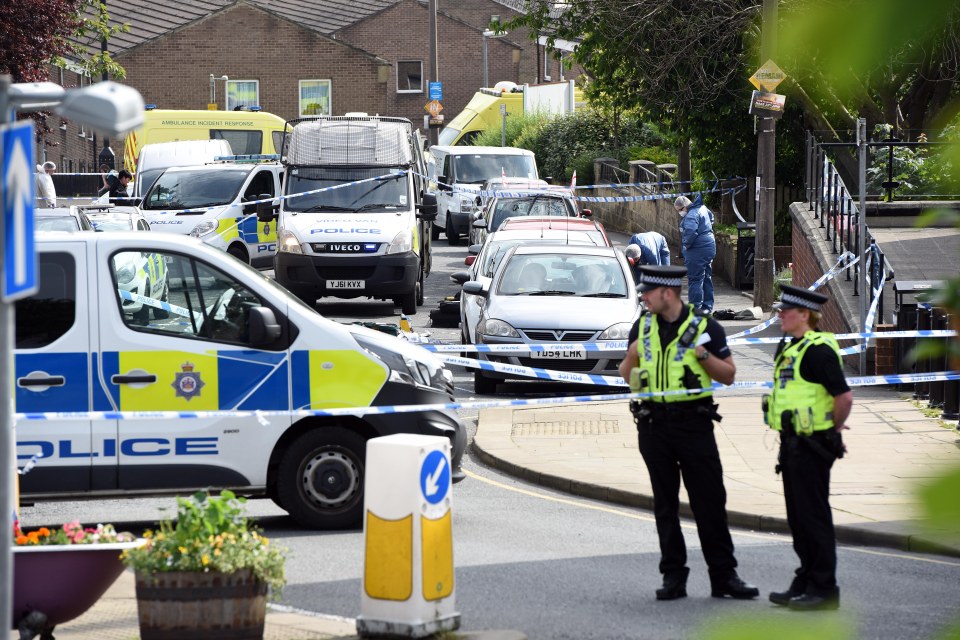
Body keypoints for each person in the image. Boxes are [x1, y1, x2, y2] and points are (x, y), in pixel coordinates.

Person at [618, 264, 758, 602]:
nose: (643, 298)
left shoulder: (705, 327)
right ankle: (673, 578)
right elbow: (627, 374)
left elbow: (728, 375)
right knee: (665, 505)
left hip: (694, 426)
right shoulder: (642, 326)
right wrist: (631, 359)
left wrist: (702, 354)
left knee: (709, 503)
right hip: (653, 427)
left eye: (648, 292)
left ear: (667, 293)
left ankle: (724, 576)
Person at [765, 285, 852, 611]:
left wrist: (832, 428)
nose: (780, 315)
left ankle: (824, 588)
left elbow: (843, 397)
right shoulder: (790, 347)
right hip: (791, 444)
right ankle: (805, 579)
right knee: (798, 518)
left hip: (814, 445)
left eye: (785, 311)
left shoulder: (818, 351)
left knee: (813, 517)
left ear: (804, 315)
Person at [675, 195, 715, 314]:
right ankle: (707, 307)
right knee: (706, 276)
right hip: (709, 246)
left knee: (695, 279)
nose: (679, 213)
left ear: (684, 207)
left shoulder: (691, 215)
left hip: (697, 249)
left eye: (679, 210)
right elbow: (711, 218)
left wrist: (686, 245)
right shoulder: (703, 208)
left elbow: (691, 232)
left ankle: (695, 309)